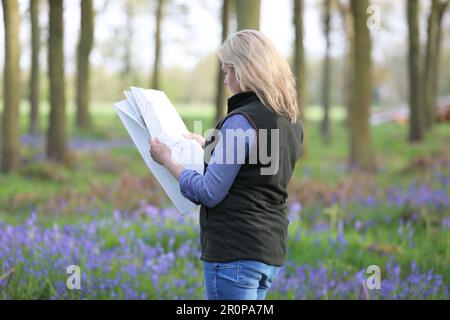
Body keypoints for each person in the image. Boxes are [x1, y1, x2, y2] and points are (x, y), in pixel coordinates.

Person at [149, 29, 304, 300]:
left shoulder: (242, 119)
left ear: (244, 71)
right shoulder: (290, 120)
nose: (225, 80)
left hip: (234, 251)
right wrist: (210, 145)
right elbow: (257, 170)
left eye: (227, 71)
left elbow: (209, 192)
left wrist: (168, 161)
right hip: (268, 250)